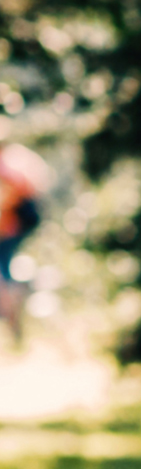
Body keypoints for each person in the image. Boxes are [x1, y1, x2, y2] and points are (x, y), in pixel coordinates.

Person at [0, 143, 48, 354]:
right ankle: (13, 321)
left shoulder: (7, 165)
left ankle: (11, 317)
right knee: (5, 270)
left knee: (3, 272)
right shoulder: (16, 156)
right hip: (19, 222)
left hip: (13, 224)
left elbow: (11, 194)